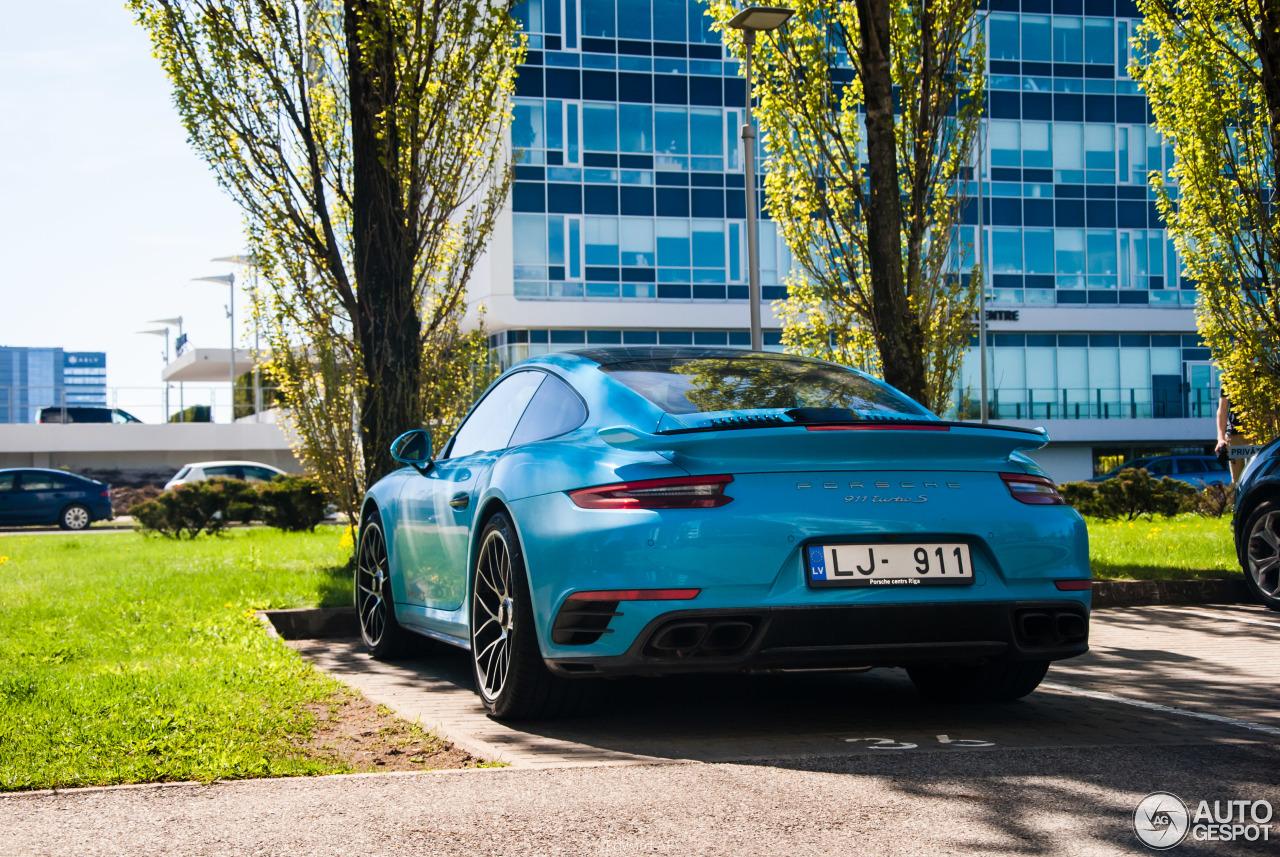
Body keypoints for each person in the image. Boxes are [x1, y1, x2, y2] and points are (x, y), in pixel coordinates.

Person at [1216, 389, 1250, 482]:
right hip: (1235, 435)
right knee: (1238, 481)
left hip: (1260, 433)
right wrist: (1221, 438)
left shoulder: (1266, 374)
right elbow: (1222, 409)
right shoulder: (1230, 376)